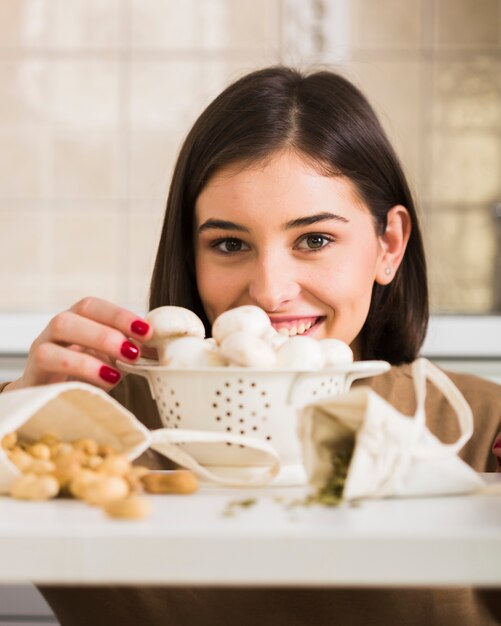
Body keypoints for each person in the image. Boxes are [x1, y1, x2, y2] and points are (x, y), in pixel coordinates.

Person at [3, 66, 501, 626]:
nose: (268, 291)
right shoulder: (90, 429)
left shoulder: (480, 430)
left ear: (389, 244)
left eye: (314, 240)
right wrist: (17, 413)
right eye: (229, 243)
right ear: (191, 256)